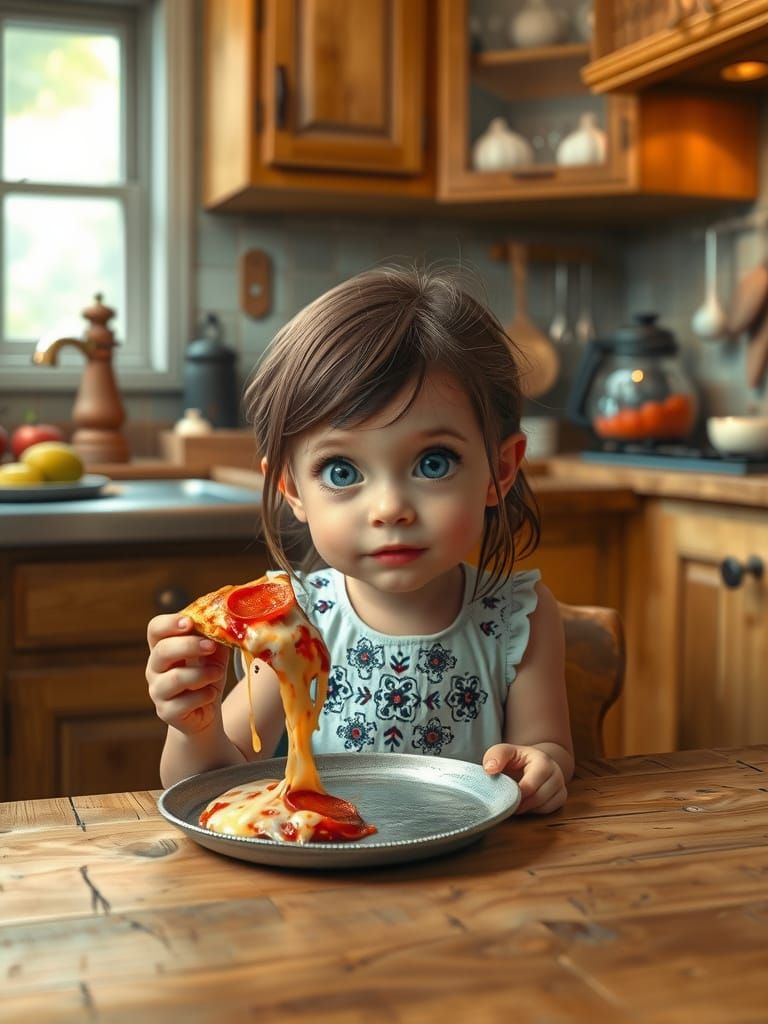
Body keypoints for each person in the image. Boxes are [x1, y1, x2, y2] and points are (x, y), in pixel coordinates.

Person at [146, 266, 573, 814]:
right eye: (343, 471)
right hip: (325, 878)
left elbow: (549, 748)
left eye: (433, 462)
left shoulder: (519, 616)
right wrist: (192, 729)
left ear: (501, 470)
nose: (390, 508)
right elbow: (215, 783)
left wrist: (541, 766)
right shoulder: (292, 619)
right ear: (292, 490)